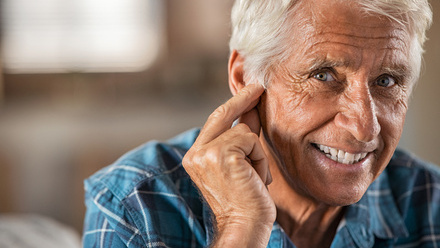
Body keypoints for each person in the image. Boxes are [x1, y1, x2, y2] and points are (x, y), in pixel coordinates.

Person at [83, 0, 439, 247]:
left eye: (387, 81)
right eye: (324, 75)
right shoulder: (135, 205)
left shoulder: (431, 204)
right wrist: (240, 229)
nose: (365, 128)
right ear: (244, 77)